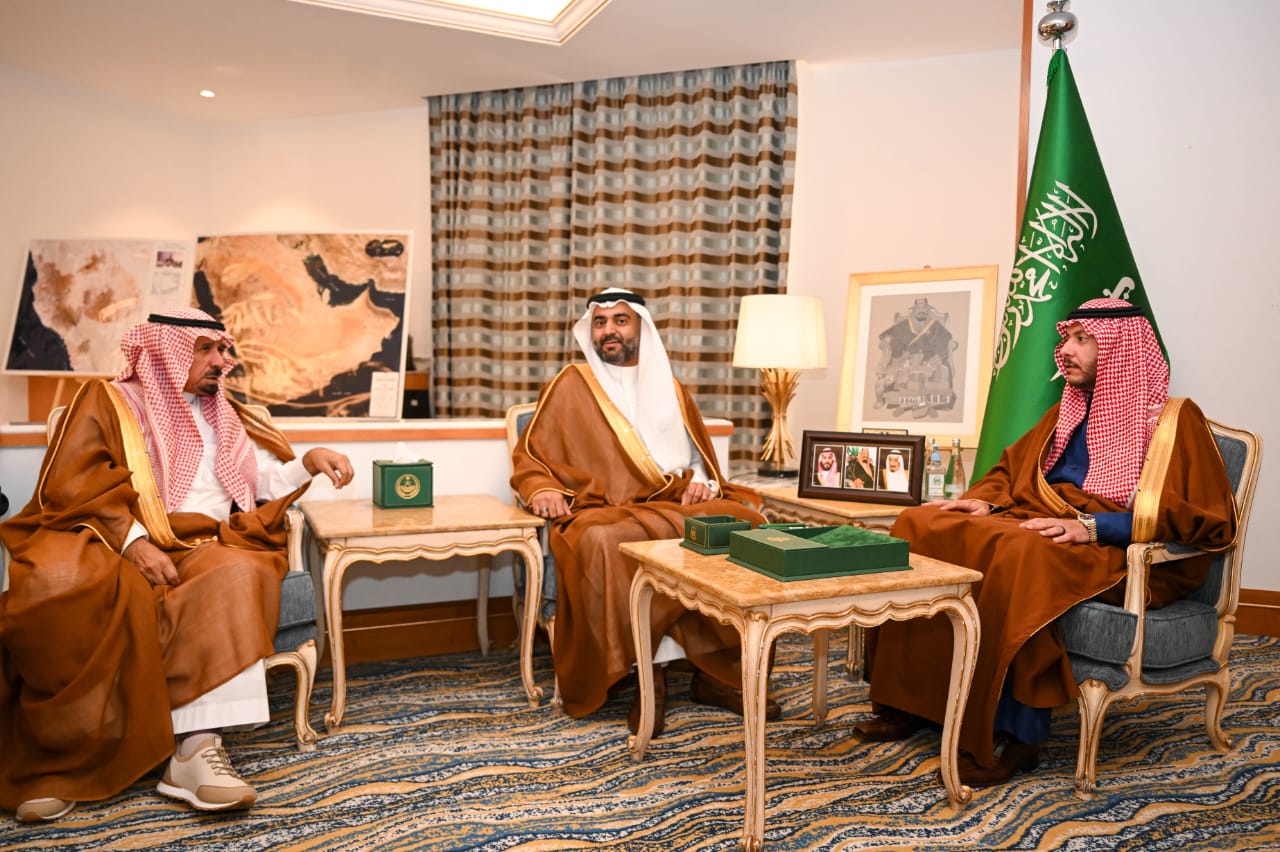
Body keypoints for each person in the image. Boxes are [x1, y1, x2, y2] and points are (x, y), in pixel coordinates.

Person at [856, 298, 1237, 786]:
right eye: (1066, 339)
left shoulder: (1172, 422)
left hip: (1120, 551)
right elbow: (1013, 470)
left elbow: (1202, 515)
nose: (1066, 351)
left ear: (1120, 349)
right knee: (920, 523)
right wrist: (987, 502)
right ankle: (912, 702)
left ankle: (1020, 738)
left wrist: (1096, 527)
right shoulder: (1067, 410)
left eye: (1082, 340)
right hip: (1047, 524)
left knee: (1023, 554)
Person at [0, 308, 354, 823]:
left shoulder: (225, 413)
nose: (220, 361)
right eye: (204, 349)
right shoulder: (109, 402)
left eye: (222, 349)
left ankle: (195, 751)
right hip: (116, 540)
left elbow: (257, 483)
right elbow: (74, 485)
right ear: (163, 352)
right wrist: (135, 543)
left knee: (242, 572)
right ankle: (58, 763)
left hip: (205, 544)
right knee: (59, 583)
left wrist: (309, 461)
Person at [510, 288, 777, 736]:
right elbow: (532, 455)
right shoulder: (570, 383)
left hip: (672, 500)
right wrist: (542, 488)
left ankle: (718, 674)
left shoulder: (671, 386)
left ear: (641, 327)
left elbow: (699, 459)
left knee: (745, 524)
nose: (609, 330)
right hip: (601, 508)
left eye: (620, 320)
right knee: (604, 540)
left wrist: (704, 483)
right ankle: (648, 676)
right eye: (600, 322)